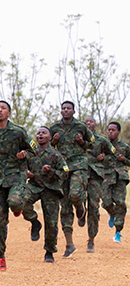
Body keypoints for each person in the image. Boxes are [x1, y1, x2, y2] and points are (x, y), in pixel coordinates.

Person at [0, 100, 41, 270]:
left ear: (9, 113)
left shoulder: (18, 132)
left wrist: (25, 154)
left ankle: (19, 210)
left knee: (16, 202)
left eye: (3, 108)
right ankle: (1, 255)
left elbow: (35, 150)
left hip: (16, 177)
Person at [49, 101, 94, 257]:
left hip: (79, 164)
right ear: (61, 111)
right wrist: (53, 142)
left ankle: (81, 208)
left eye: (68, 108)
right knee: (65, 206)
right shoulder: (54, 128)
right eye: (63, 108)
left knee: (75, 194)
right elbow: (45, 146)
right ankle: (69, 245)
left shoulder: (81, 126)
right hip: (62, 167)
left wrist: (83, 142)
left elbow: (93, 144)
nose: (66, 110)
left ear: (74, 111)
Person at [22, 127, 69, 263]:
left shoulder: (55, 154)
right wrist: (28, 173)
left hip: (51, 189)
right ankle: (34, 222)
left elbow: (65, 173)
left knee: (51, 222)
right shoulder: (31, 153)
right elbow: (22, 167)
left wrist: (51, 171)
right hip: (34, 185)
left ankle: (49, 251)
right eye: (38, 133)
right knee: (21, 200)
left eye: (44, 133)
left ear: (50, 137)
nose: (40, 134)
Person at [84, 116, 112, 251]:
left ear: (95, 124)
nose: (88, 124)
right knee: (76, 198)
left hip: (95, 175)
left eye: (91, 122)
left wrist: (104, 158)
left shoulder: (102, 140)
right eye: (86, 122)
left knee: (94, 207)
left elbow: (113, 153)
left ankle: (91, 239)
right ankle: (80, 212)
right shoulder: (78, 138)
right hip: (80, 173)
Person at [103, 122, 130, 243]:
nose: (110, 132)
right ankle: (112, 214)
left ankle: (118, 231)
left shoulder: (124, 147)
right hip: (106, 177)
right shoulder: (103, 145)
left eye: (113, 130)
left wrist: (124, 159)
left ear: (118, 132)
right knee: (106, 202)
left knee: (120, 203)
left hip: (120, 177)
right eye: (109, 130)